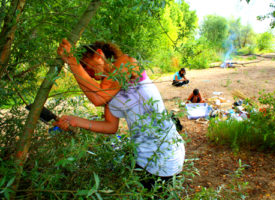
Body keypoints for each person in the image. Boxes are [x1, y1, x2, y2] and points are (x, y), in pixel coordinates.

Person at [54, 39, 185, 188]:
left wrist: (72, 61)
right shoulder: (109, 91)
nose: (87, 73)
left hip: (165, 156)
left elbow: (98, 97)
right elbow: (110, 126)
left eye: (85, 66)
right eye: (82, 69)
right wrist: (74, 120)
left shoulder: (127, 62)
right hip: (142, 158)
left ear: (99, 54)